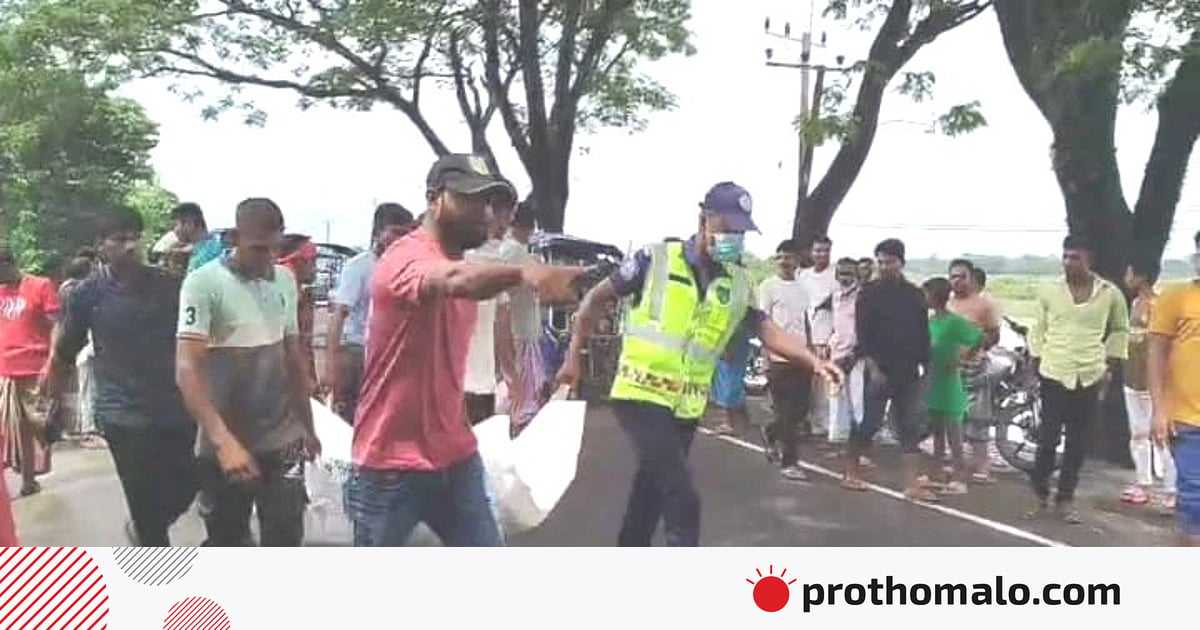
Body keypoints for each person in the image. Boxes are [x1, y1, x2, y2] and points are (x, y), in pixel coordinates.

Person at [557, 181, 841, 547]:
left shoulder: (738, 282)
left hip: (686, 405)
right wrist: (573, 357)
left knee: (651, 491)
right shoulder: (655, 260)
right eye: (727, 227)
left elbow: (764, 328)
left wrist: (812, 360)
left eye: (740, 232)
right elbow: (595, 299)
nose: (733, 238)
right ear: (703, 218)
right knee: (682, 497)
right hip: (640, 394)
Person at [344, 154, 583, 547]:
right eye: (468, 200)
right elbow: (454, 280)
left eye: (488, 202)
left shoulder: (465, 260)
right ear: (433, 198)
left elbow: (469, 284)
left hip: (456, 457)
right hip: (389, 466)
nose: (483, 213)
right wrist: (524, 273)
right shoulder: (406, 257)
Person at [46, 207, 198, 546]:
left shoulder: (170, 286)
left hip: (174, 407)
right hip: (121, 415)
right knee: (145, 505)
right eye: (120, 239)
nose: (130, 246)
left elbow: (195, 343)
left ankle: (147, 527)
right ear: (101, 245)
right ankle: (152, 550)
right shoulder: (87, 294)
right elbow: (64, 353)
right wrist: (54, 407)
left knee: (192, 480)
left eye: (134, 238)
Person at [175, 198, 321, 546]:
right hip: (227, 440)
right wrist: (223, 442)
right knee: (229, 540)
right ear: (235, 238)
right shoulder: (202, 284)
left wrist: (307, 426)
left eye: (274, 249)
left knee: (285, 537)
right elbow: (186, 369)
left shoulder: (284, 280)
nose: (267, 259)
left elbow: (292, 358)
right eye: (258, 249)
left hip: (282, 438)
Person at [1026, 235, 1129, 524]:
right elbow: (1038, 328)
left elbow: (1119, 330)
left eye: (1076, 258)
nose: (1069, 263)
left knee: (1077, 442)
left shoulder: (1110, 293)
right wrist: (1036, 360)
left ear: (1090, 260)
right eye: (1066, 257)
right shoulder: (1050, 290)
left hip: (1089, 374)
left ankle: (1065, 499)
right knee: (1047, 440)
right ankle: (1039, 494)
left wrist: (1109, 365)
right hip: (1054, 371)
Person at [844, 238, 930, 500]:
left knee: (910, 427)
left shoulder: (915, 295)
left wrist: (926, 368)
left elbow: (922, 333)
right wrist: (872, 368)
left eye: (889, 262)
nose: (884, 267)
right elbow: (863, 334)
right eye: (880, 262)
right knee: (868, 423)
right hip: (878, 369)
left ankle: (912, 484)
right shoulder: (868, 293)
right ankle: (851, 472)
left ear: (901, 263)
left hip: (908, 370)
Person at [324, 203, 414, 424]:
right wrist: (331, 367)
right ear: (378, 232)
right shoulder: (360, 267)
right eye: (396, 232)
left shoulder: (405, 268)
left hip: (389, 355)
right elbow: (338, 317)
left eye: (405, 234)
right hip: (356, 354)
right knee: (353, 421)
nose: (400, 240)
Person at [1149, 231, 1200, 545]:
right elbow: (1156, 355)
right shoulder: (1175, 297)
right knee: (1194, 504)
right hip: (1188, 421)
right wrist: (1159, 410)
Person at [0, 244, 58, 497]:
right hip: (5, 370)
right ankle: (26, 481)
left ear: (8, 264)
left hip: (35, 366)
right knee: (12, 429)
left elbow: (56, 326)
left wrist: (52, 361)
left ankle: (32, 472)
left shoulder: (40, 286)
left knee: (37, 424)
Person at [922, 277, 983, 496]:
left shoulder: (954, 322)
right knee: (937, 432)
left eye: (926, 294)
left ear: (936, 296)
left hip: (949, 381)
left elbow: (978, 337)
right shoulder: (930, 321)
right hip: (933, 379)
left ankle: (959, 478)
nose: (924, 298)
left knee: (954, 435)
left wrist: (962, 358)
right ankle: (936, 472)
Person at [757, 239, 812, 481]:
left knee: (800, 410)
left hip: (802, 355)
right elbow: (762, 322)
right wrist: (765, 355)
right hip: (778, 358)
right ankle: (789, 462)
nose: (784, 262)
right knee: (787, 411)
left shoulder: (803, 288)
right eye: (779, 257)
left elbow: (806, 321)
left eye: (788, 257)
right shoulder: (768, 287)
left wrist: (811, 351)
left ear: (797, 260)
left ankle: (771, 432)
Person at [462, 189, 517, 426]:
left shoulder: (452, 255)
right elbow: (502, 327)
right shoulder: (496, 261)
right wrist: (511, 376)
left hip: (454, 383)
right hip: (480, 383)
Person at [1123, 259, 1174, 511]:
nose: (1126, 276)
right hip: (1131, 379)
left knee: (1161, 436)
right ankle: (1143, 483)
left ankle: (1172, 489)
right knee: (1138, 433)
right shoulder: (1135, 304)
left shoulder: (1158, 306)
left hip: (1152, 382)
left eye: (1130, 272)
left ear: (1141, 277)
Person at [947, 259, 1004, 483]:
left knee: (978, 420)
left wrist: (976, 349)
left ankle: (983, 466)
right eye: (953, 276)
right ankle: (959, 463)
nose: (957, 281)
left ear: (971, 278)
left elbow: (993, 335)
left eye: (962, 276)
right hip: (950, 368)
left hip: (975, 368)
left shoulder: (983, 304)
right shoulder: (948, 303)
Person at [496, 200, 547, 433]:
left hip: (522, 329)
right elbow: (539, 281)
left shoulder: (514, 250)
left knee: (524, 390)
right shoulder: (513, 251)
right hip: (520, 331)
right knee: (522, 394)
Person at [828, 258, 867, 461]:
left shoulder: (862, 297)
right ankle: (842, 445)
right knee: (837, 401)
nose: (845, 277)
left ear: (856, 275)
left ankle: (860, 448)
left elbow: (865, 329)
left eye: (849, 273)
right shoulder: (835, 297)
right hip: (837, 354)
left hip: (856, 356)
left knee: (858, 403)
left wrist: (855, 354)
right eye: (842, 273)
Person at [799, 236, 837, 441]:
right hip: (804, 336)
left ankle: (823, 425)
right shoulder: (802, 275)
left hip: (827, 337)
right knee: (806, 384)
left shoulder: (836, 276)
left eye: (825, 250)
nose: (821, 254)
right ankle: (806, 421)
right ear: (810, 252)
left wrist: (832, 338)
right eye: (818, 250)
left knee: (825, 385)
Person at [277, 234, 319, 389]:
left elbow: (305, 345)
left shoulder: (303, 296)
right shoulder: (281, 296)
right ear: (296, 262)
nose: (315, 268)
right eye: (312, 261)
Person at [153, 203, 223, 274]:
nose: (175, 230)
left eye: (176, 225)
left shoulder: (202, 258)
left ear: (189, 223)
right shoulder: (212, 246)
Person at [710, 328, 753, 437]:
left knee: (731, 389)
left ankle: (739, 424)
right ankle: (731, 423)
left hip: (733, 342)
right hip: (728, 342)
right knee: (727, 389)